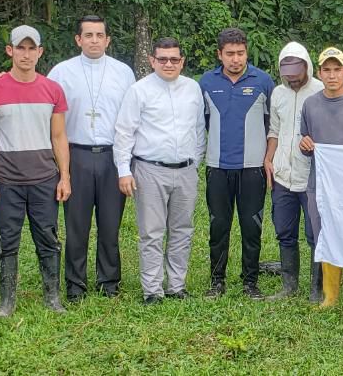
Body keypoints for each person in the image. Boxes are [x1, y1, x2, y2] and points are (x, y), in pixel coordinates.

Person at [0, 25, 71, 316]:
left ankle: (52, 297)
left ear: (40, 52)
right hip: (6, 179)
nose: (26, 54)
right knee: (6, 239)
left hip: (44, 177)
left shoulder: (52, 89)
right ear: (10, 51)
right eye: (20, 48)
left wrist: (64, 176)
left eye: (32, 49)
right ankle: (7, 301)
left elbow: (58, 136)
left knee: (48, 237)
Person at [47, 15, 135, 301]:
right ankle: (75, 285)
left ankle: (109, 282)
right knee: (77, 225)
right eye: (88, 35)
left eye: (100, 35)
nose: (94, 40)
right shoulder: (61, 72)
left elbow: (131, 117)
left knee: (110, 224)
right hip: (77, 155)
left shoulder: (123, 73)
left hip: (112, 155)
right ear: (78, 39)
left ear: (108, 40)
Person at [113, 37, 206, 305]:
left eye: (174, 59)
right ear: (152, 60)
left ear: (182, 61)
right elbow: (124, 131)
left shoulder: (193, 89)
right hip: (150, 170)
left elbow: (199, 129)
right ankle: (152, 290)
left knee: (182, 230)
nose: (168, 64)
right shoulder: (139, 91)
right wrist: (123, 170)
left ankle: (176, 286)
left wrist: (194, 163)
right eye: (162, 59)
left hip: (186, 171)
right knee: (151, 232)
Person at [200, 28, 276, 299]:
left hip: (253, 169)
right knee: (218, 226)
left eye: (240, 53)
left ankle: (250, 282)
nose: (236, 59)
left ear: (247, 52)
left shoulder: (263, 81)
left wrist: (268, 159)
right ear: (219, 54)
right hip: (218, 168)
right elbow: (203, 123)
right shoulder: (206, 82)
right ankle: (216, 281)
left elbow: (272, 126)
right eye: (229, 54)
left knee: (251, 226)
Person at [299, 47, 343, 317]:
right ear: (319, 73)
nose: (332, 75)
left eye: (337, 70)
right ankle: (330, 297)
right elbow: (304, 140)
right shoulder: (311, 104)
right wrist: (304, 144)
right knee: (325, 236)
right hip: (320, 183)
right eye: (326, 70)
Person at [265, 42, 324, 301]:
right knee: (285, 232)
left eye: (295, 66)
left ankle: (317, 287)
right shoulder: (277, 93)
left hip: (311, 175)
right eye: (285, 67)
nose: (290, 72)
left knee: (315, 234)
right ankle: (289, 285)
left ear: (306, 66)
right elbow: (274, 130)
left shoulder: (321, 91)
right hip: (282, 175)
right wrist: (268, 159)